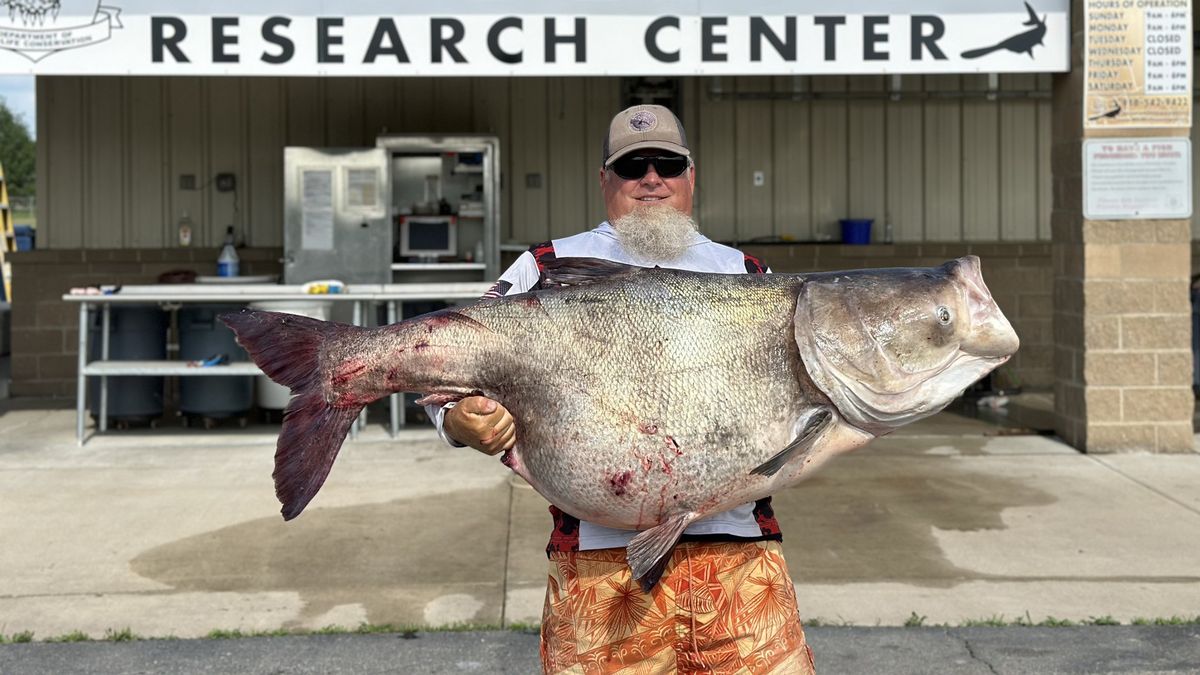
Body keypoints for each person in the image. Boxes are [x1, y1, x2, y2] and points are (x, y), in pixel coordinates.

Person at [430, 105, 816, 674]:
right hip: (598, 568)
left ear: (691, 177)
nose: (652, 178)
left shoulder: (748, 274)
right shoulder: (547, 267)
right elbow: (443, 372)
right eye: (634, 166)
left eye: (668, 164)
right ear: (605, 180)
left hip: (739, 562)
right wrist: (460, 420)